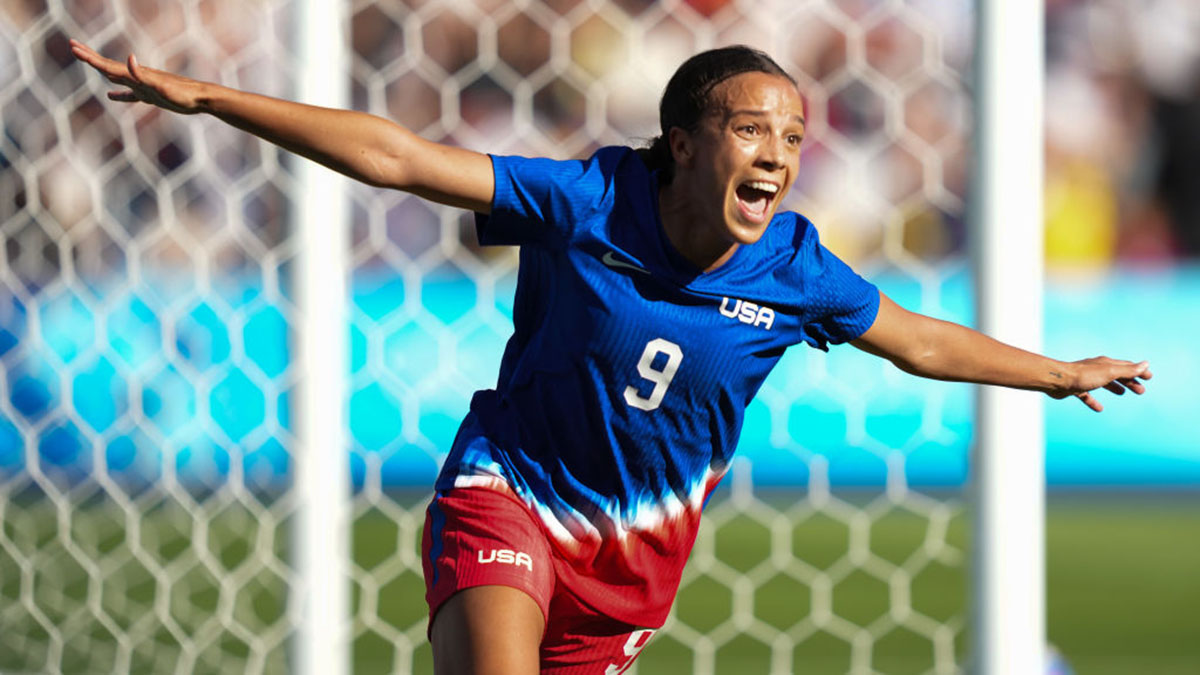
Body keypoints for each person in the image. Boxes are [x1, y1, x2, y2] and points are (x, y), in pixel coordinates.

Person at [71, 41, 1151, 674]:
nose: (777, 153)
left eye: (792, 137)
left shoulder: (795, 267)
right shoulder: (587, 202)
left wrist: (1058, 373)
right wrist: (213, 100)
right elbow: (400, 157)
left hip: (630, 565)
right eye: (752, 130)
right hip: (512, 491)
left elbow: (917, 339)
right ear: (684, 142)